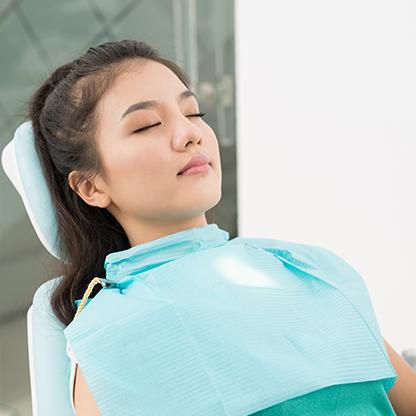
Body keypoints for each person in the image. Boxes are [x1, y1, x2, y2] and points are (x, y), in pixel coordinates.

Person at [25, 39, 415, 415]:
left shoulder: (306, 267)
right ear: (90, 186)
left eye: (193, 113)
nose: (189, 134)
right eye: (147, 125)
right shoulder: (112, 334)